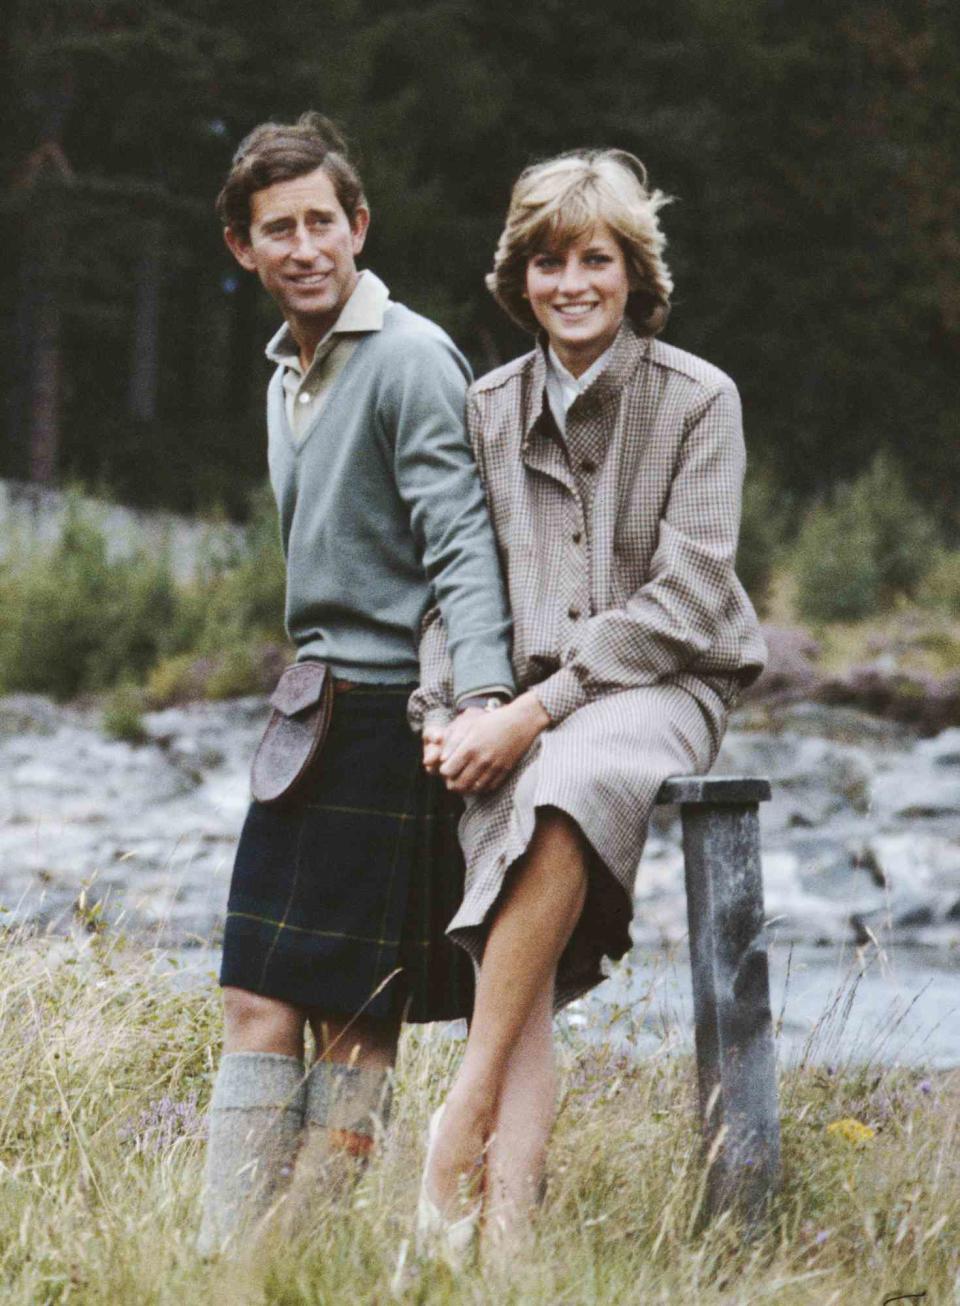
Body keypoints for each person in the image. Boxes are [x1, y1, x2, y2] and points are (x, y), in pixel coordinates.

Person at [408, 148, 766, 1261]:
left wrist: (533, 710)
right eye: (550, 261)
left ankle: (458, 1114)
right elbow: (451, 580)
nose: (573, 282)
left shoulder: (700, 398)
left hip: (663, 684)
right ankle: (506, 1244)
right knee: (514, 810)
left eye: (596, 259)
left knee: (559, 778)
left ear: (633, 273)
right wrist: (449, 707)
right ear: (520, 277)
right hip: (512, 693)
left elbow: (691, 593)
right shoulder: (484, 407)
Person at [197, 112, 515, 1254]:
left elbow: (462, 541)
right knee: (256, 998)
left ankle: (283, 1265)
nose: (303, 246)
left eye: (321, 222)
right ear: (243, 247)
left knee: (355, 1018)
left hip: (393, 718)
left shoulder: (411, 357)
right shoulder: (288, 368)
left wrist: (483, 704)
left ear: (359, 226)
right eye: (275, 229)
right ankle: (223, 1260)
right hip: (311, 708)